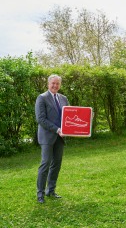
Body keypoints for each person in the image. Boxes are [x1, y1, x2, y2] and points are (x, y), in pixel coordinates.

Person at [35, 74, 69, 203]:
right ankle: (40, 194)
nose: (55, 85)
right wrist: (57, 129)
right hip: (47, 137)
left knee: (56, 165)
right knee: (45, 164)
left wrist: (87, 118)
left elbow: (69, 116)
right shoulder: (42, 98)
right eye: (53, 83)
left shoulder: (64, 98)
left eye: (57, 83)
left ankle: (51, 191)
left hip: (60, 138)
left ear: (60, 85)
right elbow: (41, 119)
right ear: (48, 84)